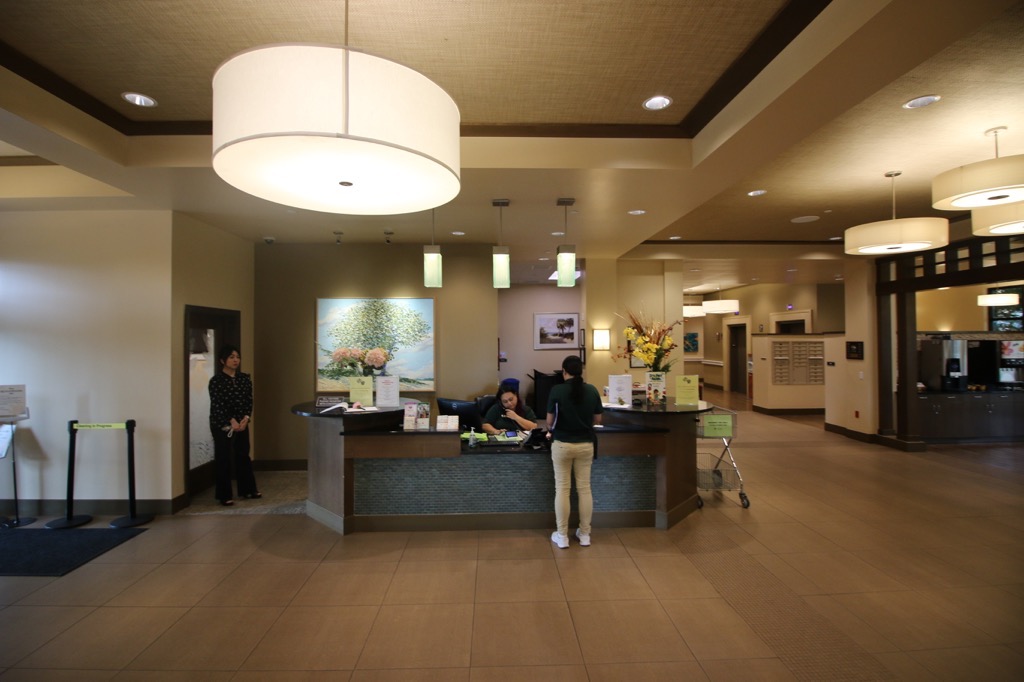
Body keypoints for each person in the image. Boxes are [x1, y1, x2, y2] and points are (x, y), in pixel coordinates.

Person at [545, 355, 603, 548]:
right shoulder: (592, 390)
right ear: (581, 371)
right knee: (584, 489)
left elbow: (549, 422)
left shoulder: (557, 390)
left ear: (564, 371)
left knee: (562, 489)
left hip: (562, 444)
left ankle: (562, 536)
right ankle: (585, 534)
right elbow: (598, 420)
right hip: (585, 444)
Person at [208, 344, 260, 505]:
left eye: (237, 357)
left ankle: (248, 489)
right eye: (231, 357)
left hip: (242, 423)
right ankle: (224, 495)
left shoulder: (244, 379)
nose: (235, 360)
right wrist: (231, 420)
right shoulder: (216, 381)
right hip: (222, 424)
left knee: (243, 455)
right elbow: (217, 404)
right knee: (223, 457)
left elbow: (248, 400)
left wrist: (246, 418)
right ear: (222, 360)